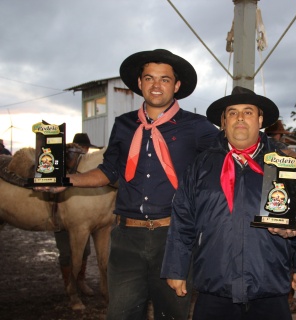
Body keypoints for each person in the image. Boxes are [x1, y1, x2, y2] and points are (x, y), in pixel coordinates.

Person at [36, 49, 219, 319]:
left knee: (172, 313)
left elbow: (232, 151)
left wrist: (275, 154)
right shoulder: (123, 124)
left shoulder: (197, 126)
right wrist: (68, 180)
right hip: (125, 238)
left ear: (177, 86)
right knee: (121, 313)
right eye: (149, 78)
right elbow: (109, 171)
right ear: (140, 83)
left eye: (165, 79)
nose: (156, 85)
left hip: (174, 238)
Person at [160, 86, 296, 320]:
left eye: (248, 112)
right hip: (215, 285)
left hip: (269, 284)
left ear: (260, 119)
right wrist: (176, 268)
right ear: (224, 121)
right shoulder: (201, 165)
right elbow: (183, 220)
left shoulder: (283, 163)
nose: (240, 118)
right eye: (233, 113)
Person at [53, 133, 101, 296]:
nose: (85, 153)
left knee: (85, 251)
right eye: (82, 149)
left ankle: (80, 281)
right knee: (66, 253)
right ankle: (69, 286)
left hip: (81, 217)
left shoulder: (88, 169)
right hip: (62, 214)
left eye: (86, 150)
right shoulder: (65, 165)